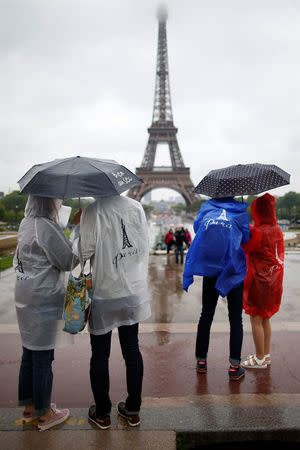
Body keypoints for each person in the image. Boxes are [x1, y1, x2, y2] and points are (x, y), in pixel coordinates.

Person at [77, 195, 151, 429]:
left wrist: (80, 229)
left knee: (100, 354)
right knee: (132, 350)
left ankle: (102, 413)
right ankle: (133, 409)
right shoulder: (136, 207)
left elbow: (83, 252)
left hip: (104, 293)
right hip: (131, 290)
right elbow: (142, 245)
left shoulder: (92, 210)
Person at [14, 195, 76, 431]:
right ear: (48, 203)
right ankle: (44, 412)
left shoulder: (25, 223)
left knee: (28, 353)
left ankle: (29, 408)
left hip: (24, 295)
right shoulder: (45, 226)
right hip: (43, 298)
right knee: (42, 357)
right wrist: (78, 230)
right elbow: (68, 260)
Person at [183, 197, 250, 380]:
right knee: (235, 318)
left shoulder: (206, 209)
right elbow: (246, 237)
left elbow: (198, 230)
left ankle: (201, 362)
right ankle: (234, 367)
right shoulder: (240, 212)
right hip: (233, 270)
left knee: (206, 315)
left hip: (211, 268)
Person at [241, 193, 284, 369]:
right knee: (265, 318)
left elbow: (246, 248)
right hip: (274, 280)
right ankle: (265, 355)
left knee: (256, 319)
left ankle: (259, 357)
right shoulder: (277, 229)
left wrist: (246, 228)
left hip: (259, 280)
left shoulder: (258, 232)